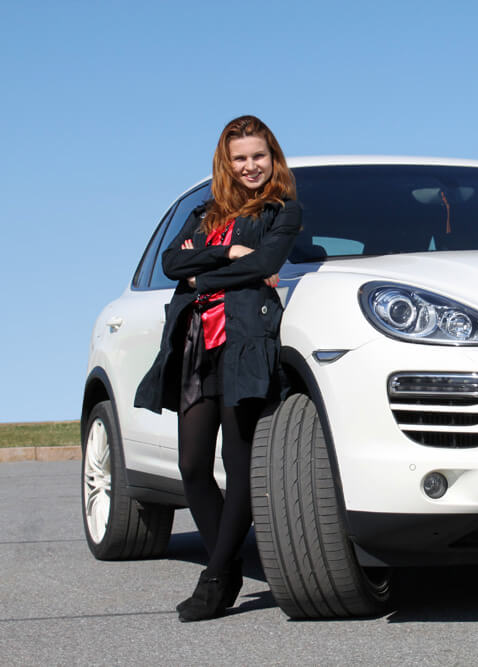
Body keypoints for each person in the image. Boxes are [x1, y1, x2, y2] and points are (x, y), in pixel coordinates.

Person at [134, 115, 301, 622]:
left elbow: (263, 264)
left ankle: (214, 578)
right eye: (240, 158)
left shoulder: (281, 211)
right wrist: (227, 250)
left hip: (242, 340)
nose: (251, 166)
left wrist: (204, 270)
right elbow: (171, 263)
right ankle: (225, 567)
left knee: (239, 462)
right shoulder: (204, 213)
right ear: (226, 164)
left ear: (272, 158)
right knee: (191, 465)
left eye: (259, 156)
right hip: (195, 340)